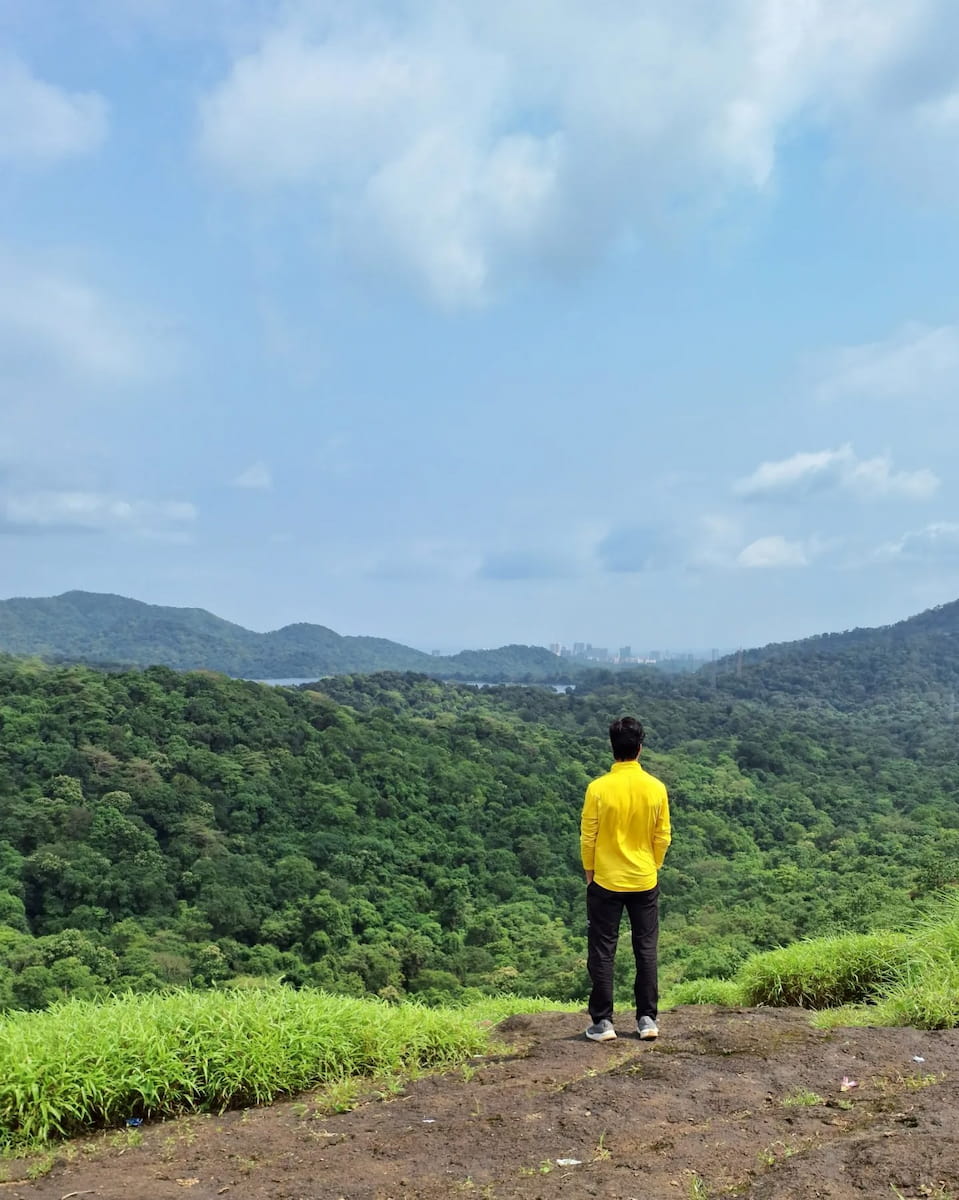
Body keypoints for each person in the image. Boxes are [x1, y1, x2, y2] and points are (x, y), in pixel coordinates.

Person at [580, 716, 671, 1042]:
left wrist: (590, 871)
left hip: (605, 880)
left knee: (603, 950)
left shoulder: (598, 788)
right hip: (644, 879)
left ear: (612, 747)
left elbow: (588, 835)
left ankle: (603, 1022)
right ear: (640, 748)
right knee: (645, 948)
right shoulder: (656, 788)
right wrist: (653, 864)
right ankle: (647, 1019)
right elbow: (663, 836)